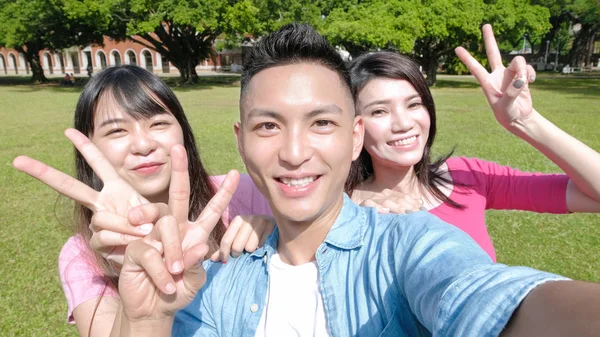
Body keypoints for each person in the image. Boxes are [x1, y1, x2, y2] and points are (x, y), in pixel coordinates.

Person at [108, 24, 600, 336]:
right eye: (268, 125)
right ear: (241, 140)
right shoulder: (215, 288)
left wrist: (525, 123)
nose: (295, 152)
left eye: (321, 122)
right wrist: (147, 322)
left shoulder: (421, 235)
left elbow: (482, 294)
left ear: (351, 135)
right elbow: (205, 190)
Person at [12, 65, 273, 337]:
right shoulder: (82, 255)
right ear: (92, 146)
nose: (143, 145)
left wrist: (275, 231)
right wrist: (143, 313)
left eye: (158, 123)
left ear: (183, 130)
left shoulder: (241, 194)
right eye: (116, 131)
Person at [344, 24, 600, 261]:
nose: (403, 123)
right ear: (355, 127)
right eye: (379, 111)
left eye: (414, 104)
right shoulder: (338, 207)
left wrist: (525, 121)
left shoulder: (468, 177)